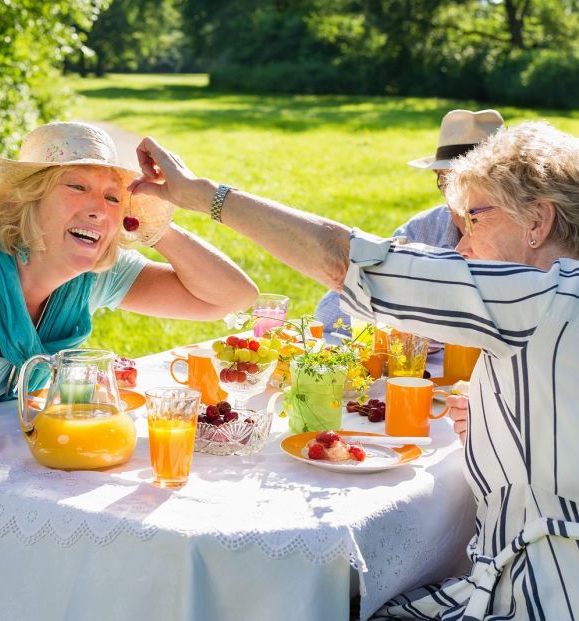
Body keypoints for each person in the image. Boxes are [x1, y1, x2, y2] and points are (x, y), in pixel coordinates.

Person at [131, 120, 579, 619]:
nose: (461, 246)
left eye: (475, 219)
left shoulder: (535, 297)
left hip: (538, 595)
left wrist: (206, 197)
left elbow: (343, 259)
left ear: (537, 221)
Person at [0, 121, 258, 400]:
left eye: (113, 199)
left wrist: (154, 228)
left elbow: (234, 298)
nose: (99, 211)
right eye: (77, 187)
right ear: (27, 199)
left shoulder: (95, 276)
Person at [315, 108, 504, 334]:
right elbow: (328, 316)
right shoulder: (424, 230)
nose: (463, 200)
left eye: (479, 184)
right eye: (450, 184)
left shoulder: (531, 235)